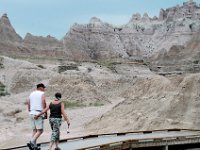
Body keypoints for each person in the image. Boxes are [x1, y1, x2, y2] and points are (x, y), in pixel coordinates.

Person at [27, 83, 47, 150]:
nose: (44, 89)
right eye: (43, 88)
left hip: (31, 113)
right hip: (38, 113)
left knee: (34, 130)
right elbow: (44, 103)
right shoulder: (42, 94)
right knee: (40, 130)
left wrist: (29, 111)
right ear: (40, 88)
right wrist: (45, 113)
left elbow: (29, 103)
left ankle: (34, 147)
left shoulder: (31, 93)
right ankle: (31, 142)